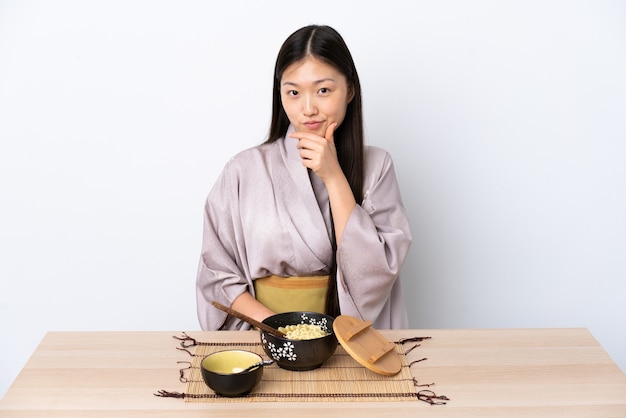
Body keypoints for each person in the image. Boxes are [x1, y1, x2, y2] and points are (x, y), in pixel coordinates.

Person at [196, 24, 411, 331]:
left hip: (350, 339)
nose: (308, 109)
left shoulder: (377, 166)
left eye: (323, 90)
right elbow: (216, 274)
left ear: (349, 90)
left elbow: (375, 274)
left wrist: (334, 176)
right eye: (294, 92)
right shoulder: (242, 170)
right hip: (263, 336)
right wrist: (283, 329)